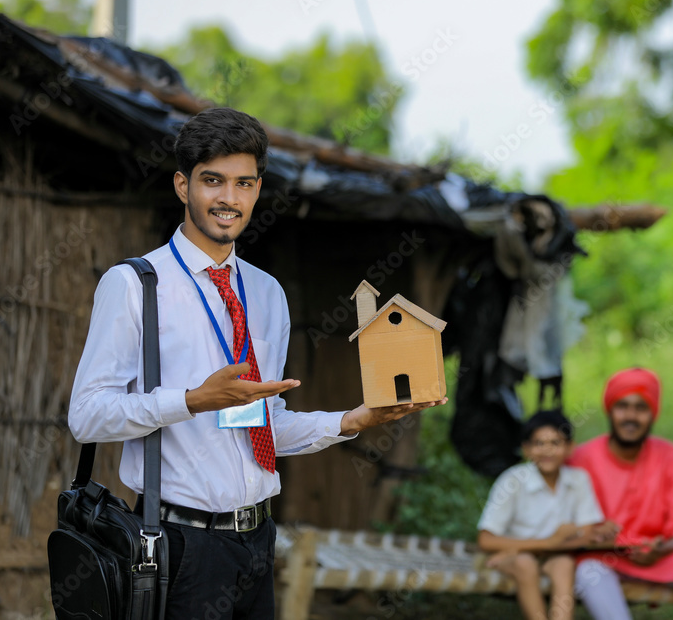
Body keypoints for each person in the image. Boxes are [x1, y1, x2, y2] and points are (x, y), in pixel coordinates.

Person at [68, 107, 445, 619]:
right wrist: (194, 400)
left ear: (258, 189)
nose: (229, 198)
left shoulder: (267, 294)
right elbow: (86, 415)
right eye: (212, 181)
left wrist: (352, 421)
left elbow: (258, 424)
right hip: (178, 545)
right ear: (182, 186)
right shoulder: (136, 285)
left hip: (257, 543)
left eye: (244, 183)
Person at [569, 368, 673, 620]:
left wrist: (660, 550)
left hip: (659, 558)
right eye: (622, 406)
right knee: (588, 571)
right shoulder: (581, 458)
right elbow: (568, 525)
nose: (631, 416)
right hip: (604, 558)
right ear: (610, 410)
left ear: (652, 414)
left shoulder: (672, 457)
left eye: (641, 408)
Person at [477, 410, 615, 620]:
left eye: (556, 443)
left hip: (551, 555)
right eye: (539, 443)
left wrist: (553, 545)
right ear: (526, 449)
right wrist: (549, 542)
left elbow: (585, 534)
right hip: (515, 556)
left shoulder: (578, 480)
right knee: (525, 563)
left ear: (570, 448)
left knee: (565, 565)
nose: (547, 450)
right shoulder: (512, 481)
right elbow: (486, 540)